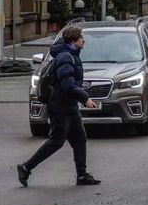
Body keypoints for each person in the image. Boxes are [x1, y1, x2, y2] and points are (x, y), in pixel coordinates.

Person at [18, 25, 100, 187]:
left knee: (79, 139)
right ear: (73, 40)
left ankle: (82, 175)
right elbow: (67, 85)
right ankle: (26, 167)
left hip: (69, 106)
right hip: (59, 107)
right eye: (80, 38)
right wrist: (85, 98)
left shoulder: (72, 55)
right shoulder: (65, 57)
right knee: (56, 141)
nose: (83, 40)